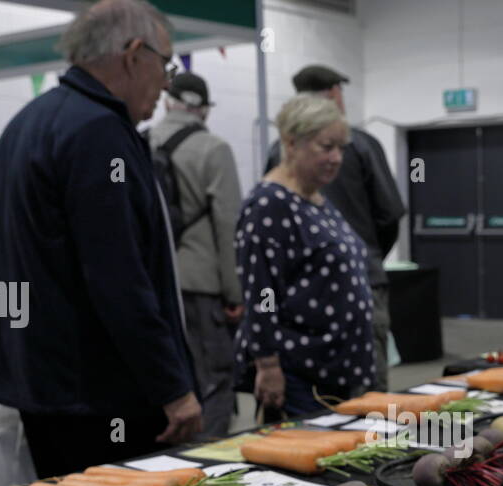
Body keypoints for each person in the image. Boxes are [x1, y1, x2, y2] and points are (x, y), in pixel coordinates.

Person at [0, 0, 201, 478]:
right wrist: (173, 388)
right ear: (134, 55)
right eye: (166, 64)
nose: (167, 81)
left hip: (47, 386)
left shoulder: (32, 121)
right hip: (101, 393)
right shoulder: (98, 132)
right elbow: (118, 278)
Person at [236, 94, 374, 419]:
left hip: (336, 368)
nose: (337, 158)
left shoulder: (316, 198)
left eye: (341, 148)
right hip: (300, 374)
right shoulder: (270, 204)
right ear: (291, 142)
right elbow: (262, 293)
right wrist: (268, 366)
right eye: (326, 147)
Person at [267, 65, 405, 389]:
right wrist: (361, 256)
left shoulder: (279, 152)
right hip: (362, 285)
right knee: (366, 397)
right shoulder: (360, 143)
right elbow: (389, 214)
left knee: (322, 400)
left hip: (302, 295)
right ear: (333, 93)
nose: (334, 158)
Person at [149, 72, 243, 439]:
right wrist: (234, 294)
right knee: (215, 380)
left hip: (157, 285)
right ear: (202, 109)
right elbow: (227, 224)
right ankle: (208, 463)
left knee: (172, 381)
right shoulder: (213, 149)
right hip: (202, 284)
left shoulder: (142, 141)